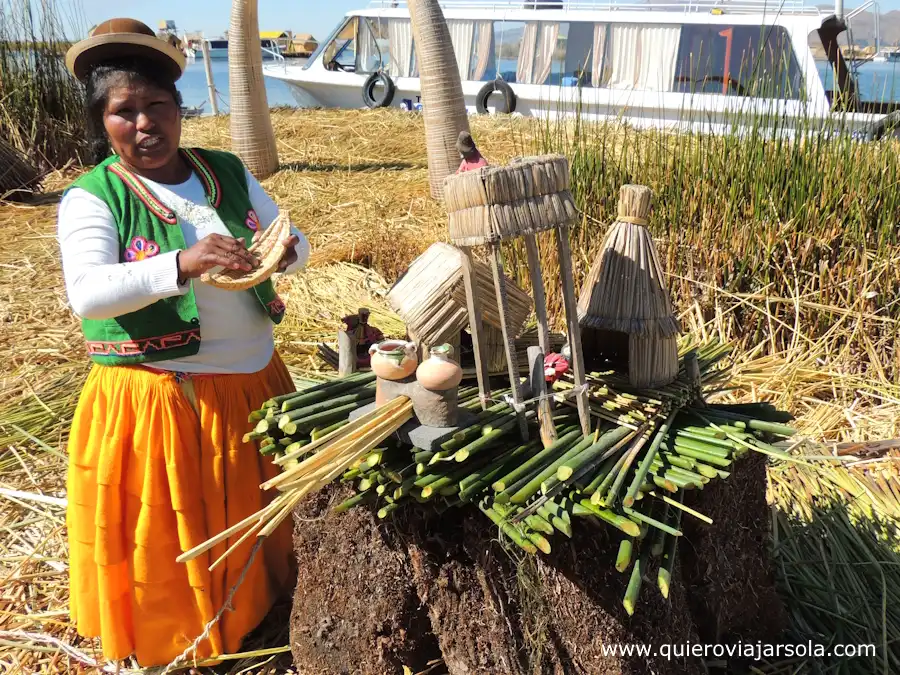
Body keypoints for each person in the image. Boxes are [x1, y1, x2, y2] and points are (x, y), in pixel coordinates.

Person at [58, 19, 310, 668]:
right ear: (103, 121)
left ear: (179, 109)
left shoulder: (222, 170)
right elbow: (88, 293)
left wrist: (281, 252)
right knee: (177, 539)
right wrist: (182, 263)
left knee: (256, 529)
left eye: (158, 106)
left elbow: (294, 239)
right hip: (165, 404)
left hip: (255, 384)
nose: (144, 123)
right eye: (124, 111)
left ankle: (258, 613)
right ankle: (186, 638)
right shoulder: (94, 198)